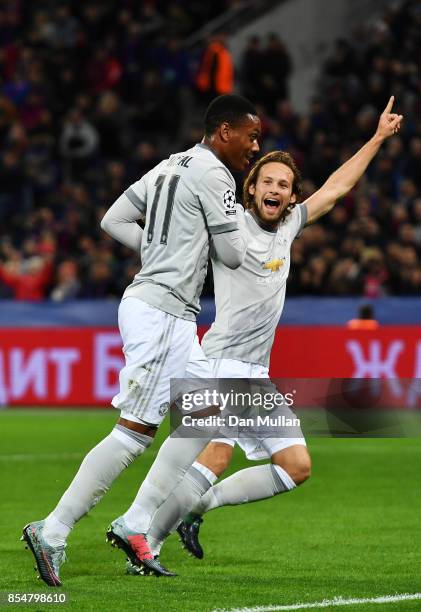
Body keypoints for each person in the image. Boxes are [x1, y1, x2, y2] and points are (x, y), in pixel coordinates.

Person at [124, 96, 402, 566]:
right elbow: (172, 230)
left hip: (255, 375)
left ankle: (196, 508)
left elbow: (337, 188)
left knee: (296, 466)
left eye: (285, 185)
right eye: (267, 181)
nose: (276, 189)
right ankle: (144, 542)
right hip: (214, 364)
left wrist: (376, 139)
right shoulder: (226, 222)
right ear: (250, 189)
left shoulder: (290, 224)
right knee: (212, 458)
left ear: (292, 197)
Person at [22, 94, 261, 586]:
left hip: (168, 311)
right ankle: (53, 529)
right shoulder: (217, 175)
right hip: (160, 312)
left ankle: (134, 524)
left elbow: (112, 220)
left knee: (207, 414)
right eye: (250, 136)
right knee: (134, 433)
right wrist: (178, 252)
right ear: (223, 132)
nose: (255, 146)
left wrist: (160, 249)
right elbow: (235, 255)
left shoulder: (169, 165)